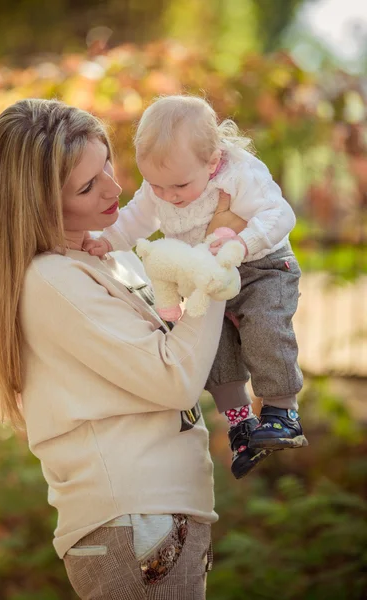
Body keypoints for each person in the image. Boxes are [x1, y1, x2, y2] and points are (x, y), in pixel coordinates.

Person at [0, 98, 246, 600]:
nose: (115, 188)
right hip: (133, 520)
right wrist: (215, 268)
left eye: (107, 164)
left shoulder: (106, 259)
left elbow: (185, 341)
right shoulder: (52, 280)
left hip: (157, 512)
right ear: (38, 206)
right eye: (87, 185)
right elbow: (175, 378)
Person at [84, 95, 308, 481]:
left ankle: (281, 411)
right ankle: (241, 427)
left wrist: (243, 243)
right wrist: (108, 240)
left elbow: (279, 213)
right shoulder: (162, 186)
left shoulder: (239, 174)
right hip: (208, 276)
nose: (168, 196)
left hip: (262, 266)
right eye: (156, 185)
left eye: (179, 186)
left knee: (264, 327)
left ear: (213, 160)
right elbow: (136, 217)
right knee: (211, 348)